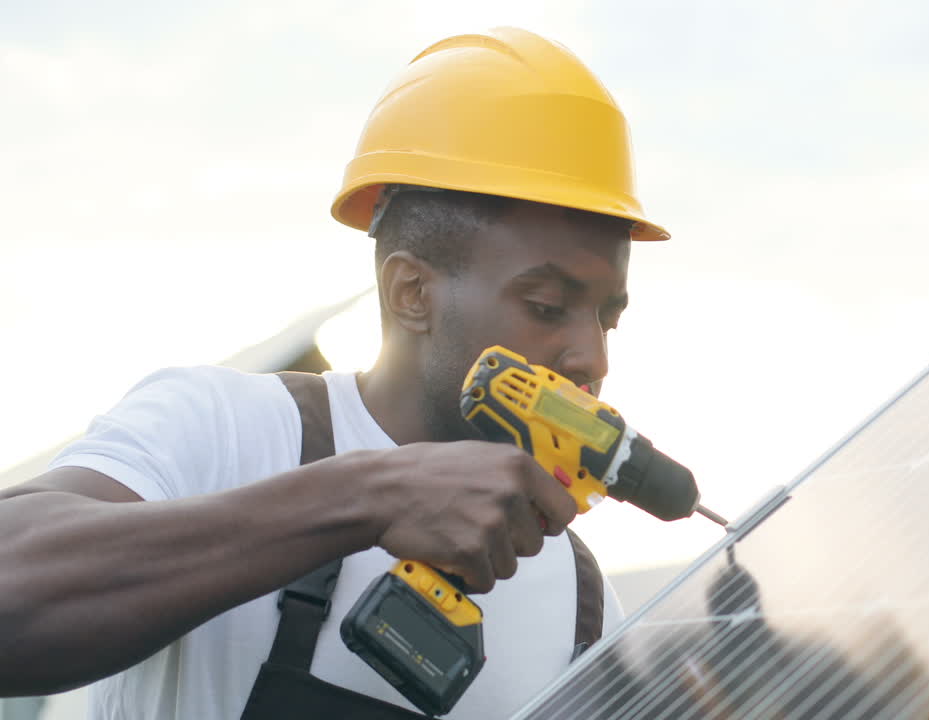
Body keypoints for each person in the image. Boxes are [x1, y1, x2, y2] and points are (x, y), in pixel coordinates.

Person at [0, 26, 670, 719]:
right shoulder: (225, 428)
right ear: (412, 293)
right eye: (547, 306)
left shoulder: (581, 601)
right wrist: (366, 497)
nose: (592, 357)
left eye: (607, 317)